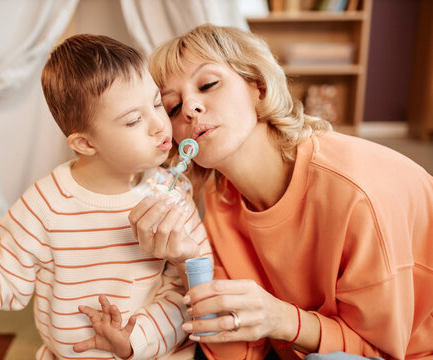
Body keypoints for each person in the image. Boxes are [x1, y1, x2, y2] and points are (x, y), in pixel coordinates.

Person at [128, 24, 433, 360]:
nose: (190, 109)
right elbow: (238, 351)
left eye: (208, 84)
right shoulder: (220, 196)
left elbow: (380, 351)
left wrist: (282, 319)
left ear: (258, 87)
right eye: (172, 107)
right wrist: (189, 263)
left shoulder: (356, 193)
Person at [0, 34, 212, 360]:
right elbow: (6, 281)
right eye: (133, 120)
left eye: (157, 103)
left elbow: (189, 285)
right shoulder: (42, 207)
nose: (159, 125)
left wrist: (135, 339)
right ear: (86, 144)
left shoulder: (173, 193)